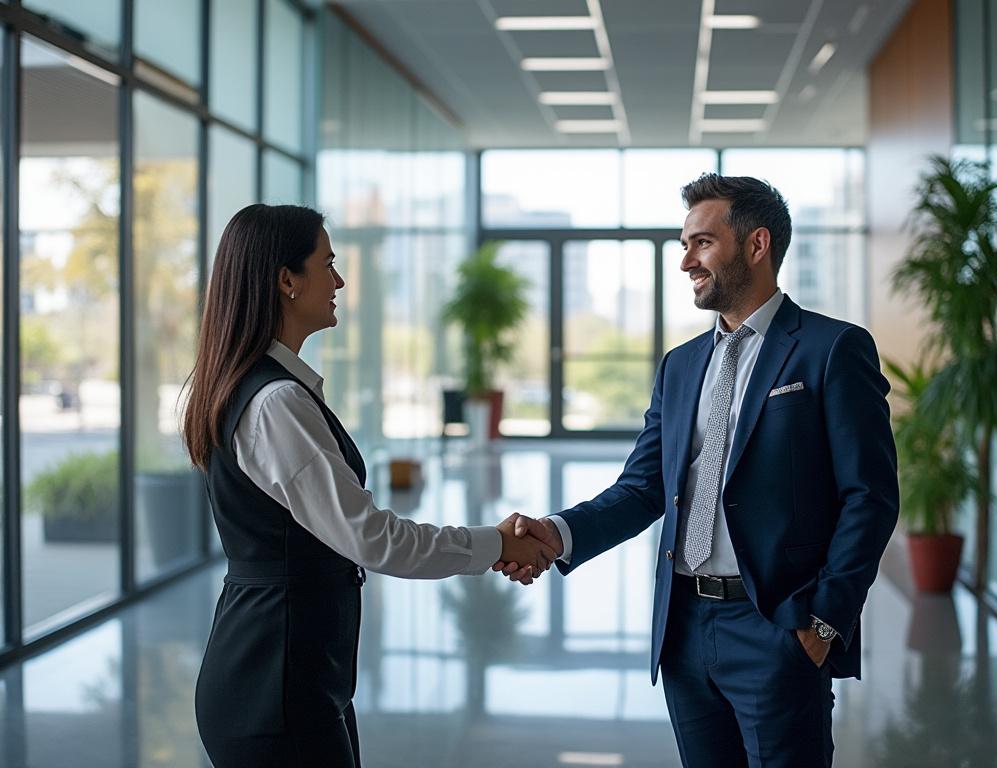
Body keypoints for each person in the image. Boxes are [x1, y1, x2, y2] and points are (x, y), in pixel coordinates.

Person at [497, 174, 899, 767]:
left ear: (757, 245)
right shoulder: (681, 365)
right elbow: (644, 487)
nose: (685, 260)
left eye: (701, 243)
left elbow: (870, 496)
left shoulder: (832, 348)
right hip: (683, 629)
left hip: (777, 627)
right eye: (685, 244)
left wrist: (822, 624)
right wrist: (557, 533)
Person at [182, 203, 554, 768]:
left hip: (284, 675)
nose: (338, 280)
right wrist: (498, 543)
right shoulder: (277, 402)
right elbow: (376, 538)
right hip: (275, 690)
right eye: (326, 263)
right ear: (286, 280)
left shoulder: (262, 389)